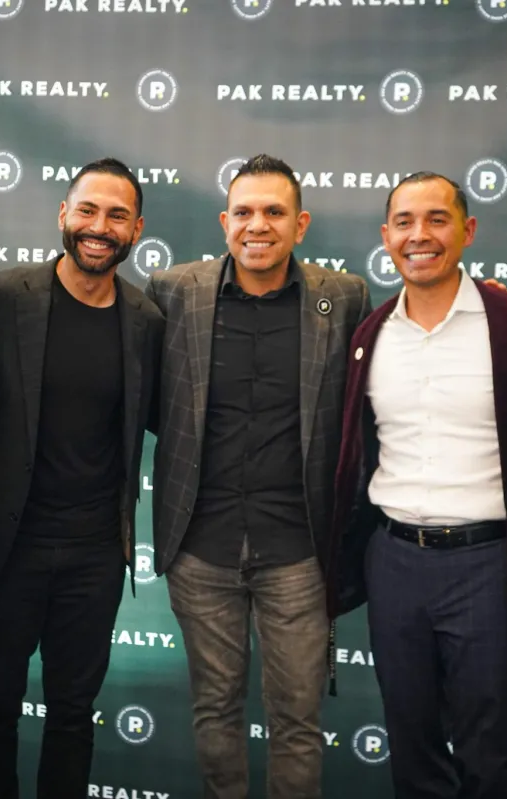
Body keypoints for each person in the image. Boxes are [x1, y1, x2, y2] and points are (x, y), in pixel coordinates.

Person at [329, 172, 507, 799]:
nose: (420, 235)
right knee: (413, 751)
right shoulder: (369, 336)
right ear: (386, 236)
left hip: (491, 566)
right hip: (395, 564)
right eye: (405, 222)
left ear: (468, 230)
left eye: (437, 219)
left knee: (491, 754)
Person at [144, 154, 370, 798]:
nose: (258, 225)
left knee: (297, 721)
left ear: (301, 223)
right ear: (224, 222)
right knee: (214, 712)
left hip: (299, 551)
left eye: (274, 212)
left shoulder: (344, 297)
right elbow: (153, 402)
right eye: (243, 212)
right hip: (201, 547)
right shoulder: (174, 291)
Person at [0, 157, 164, 798]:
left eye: (116, 215)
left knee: (74, 715)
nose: (99, 227)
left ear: (136, 229)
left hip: (94, 556)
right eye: (87, 210)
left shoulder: (146, 322)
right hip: (8, 549)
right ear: (63, 215)